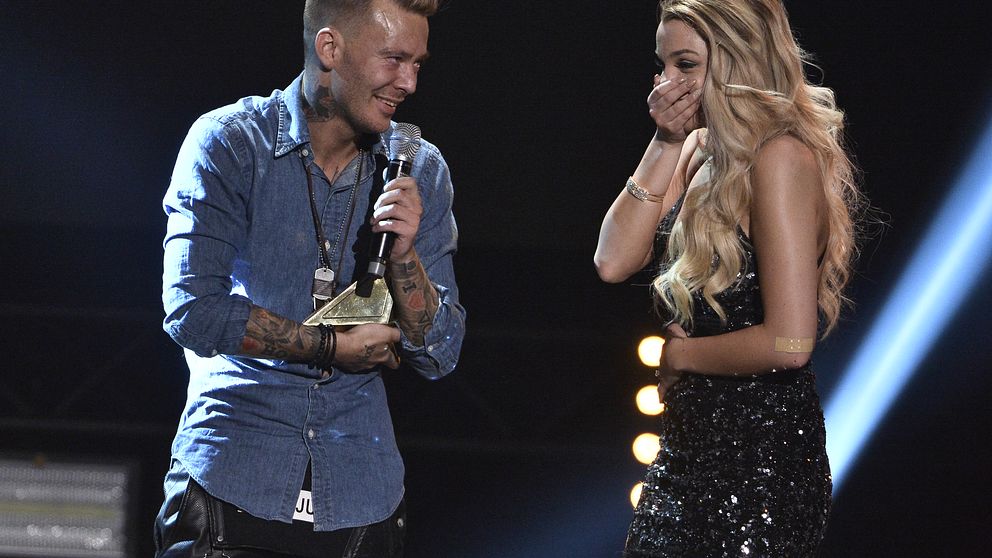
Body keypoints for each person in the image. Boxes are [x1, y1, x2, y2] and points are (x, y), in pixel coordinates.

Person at [154, 0, 464, 556]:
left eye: (418, 63)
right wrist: (329, 347)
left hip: (362, 497)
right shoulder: (229, 144)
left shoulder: (421, 170)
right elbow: (192, 309)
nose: (409, 82)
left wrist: (405, 256)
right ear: (330, 49)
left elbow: (441, 353)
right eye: (393, 59)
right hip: (233, 476)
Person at [595, 0, 861, 555]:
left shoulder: (781, 156)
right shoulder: (695, 150)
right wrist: (666, 141)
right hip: (685, 453)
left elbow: (790, 342)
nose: (666, 82)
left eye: (686, 64)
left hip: (759, 464)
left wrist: (682, 357)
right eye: (663, 64)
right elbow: (613, 261)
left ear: (737, 60)